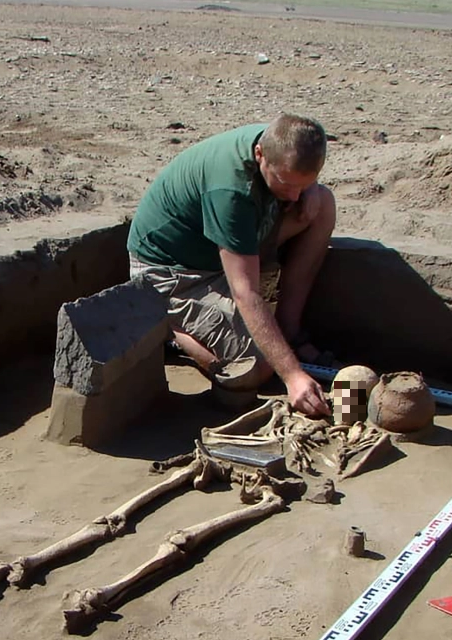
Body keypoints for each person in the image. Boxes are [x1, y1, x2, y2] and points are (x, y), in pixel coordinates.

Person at [127, 113, 335, 417]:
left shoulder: (282, 141)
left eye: (302, 184)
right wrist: (292, 376)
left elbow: (297, 182)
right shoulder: (230, 190)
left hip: (226, 246)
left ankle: (290, 329)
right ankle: (167, 323)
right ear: (260, 154)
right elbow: (246, 293)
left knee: (321, 205)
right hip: (172, 271)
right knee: (256, 368)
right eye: (286, 183)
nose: (293, 196)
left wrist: (311, 189)